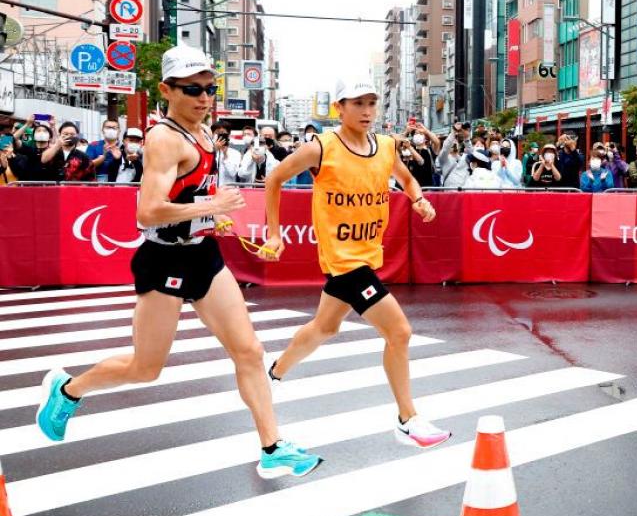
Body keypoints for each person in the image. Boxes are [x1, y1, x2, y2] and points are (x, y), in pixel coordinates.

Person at [35, 45, 321, 478]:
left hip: (203, 256)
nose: (205, 98)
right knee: (145, 368)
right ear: (167, 90)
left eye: (210, 88)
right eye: (193, 90)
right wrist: (210, 205)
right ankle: (68, 390)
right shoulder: (164, 139)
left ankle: (272, 447)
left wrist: (214, 216)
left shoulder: (206, 133)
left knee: (249, 350)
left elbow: (190, 197)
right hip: (163, 260)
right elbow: (147, 212)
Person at [260, 75, 450, 452]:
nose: (365, 111)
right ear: (340, 109)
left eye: (371, 103)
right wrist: (275, 233)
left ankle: (274, 372)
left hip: (367, 255)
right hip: (343, 261)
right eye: (357, 103)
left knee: (324, 327)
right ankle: (407, 420)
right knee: (399, 332)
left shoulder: (384, 147)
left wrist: (419, 200)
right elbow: (274, 178)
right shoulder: (321, 147)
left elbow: (408, 180)